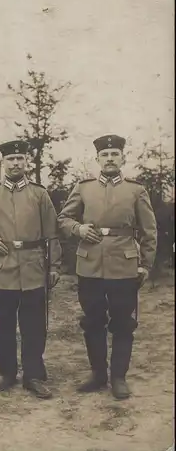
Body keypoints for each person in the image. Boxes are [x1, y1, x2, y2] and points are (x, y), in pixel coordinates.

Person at [58, 134, 157, 400]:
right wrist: (78, 228)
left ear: (123, 158)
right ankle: (98, 374)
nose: (110, 159)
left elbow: (149, 231)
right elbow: (64, 219)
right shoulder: (83, 188)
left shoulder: (136, 190)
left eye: (115, 154)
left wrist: (145, 265)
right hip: (89, 264)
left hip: (124, 266)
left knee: (124, 322)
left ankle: (118, 377)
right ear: (98, 159)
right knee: (92, 321)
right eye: (105, 155)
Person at [0, 140, 62, 399]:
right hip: (1, 267)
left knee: (33, 324)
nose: (16, 163)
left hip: (33, 266)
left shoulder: (39, 194)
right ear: (3, 163)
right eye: (11, 159)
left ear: (26, 162)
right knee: (5, 323)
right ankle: (6, 372)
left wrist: (54, 266)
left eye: (20, 158)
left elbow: (52, 233)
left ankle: (32, 375)